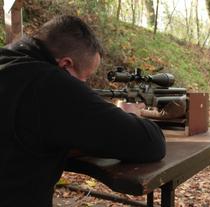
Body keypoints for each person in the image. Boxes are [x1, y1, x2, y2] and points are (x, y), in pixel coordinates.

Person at [0, 15, 166, 207]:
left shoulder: (9, 60)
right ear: (65, 64)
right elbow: (150, 143)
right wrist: (130, 116)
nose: (83, 86)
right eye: (83, 79)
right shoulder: (51, 85)